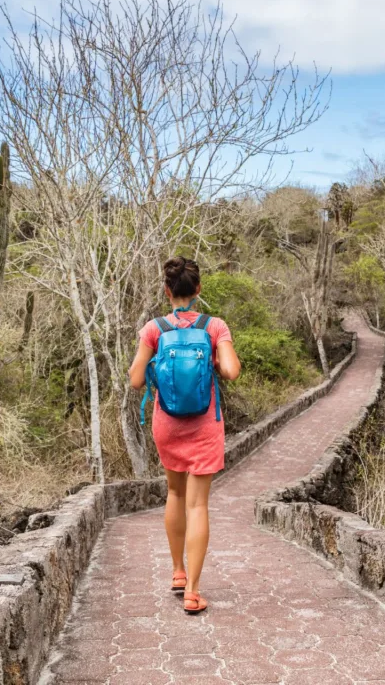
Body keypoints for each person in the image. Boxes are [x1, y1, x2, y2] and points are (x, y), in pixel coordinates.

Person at [128, 257, 241, 614]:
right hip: (205, 424)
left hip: (167, 422)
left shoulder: (155, 328)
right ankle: (193, 590)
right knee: (198, 504)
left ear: (167, 291)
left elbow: (134, 380)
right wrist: (217, 363)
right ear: (198, 290)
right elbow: (233, 372)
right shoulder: (214, 326)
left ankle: (177, 571)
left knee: (174, 493)